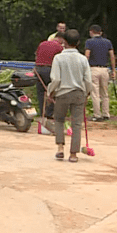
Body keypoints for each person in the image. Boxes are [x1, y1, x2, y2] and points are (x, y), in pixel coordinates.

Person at [47, 29, 94, 162]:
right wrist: (87, 93)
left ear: (64, 42)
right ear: (78, 43)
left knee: (59, 120)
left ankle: (60, 148)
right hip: (79, 93)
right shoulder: (83, 59)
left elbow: (55, 79)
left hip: (62, 93)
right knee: (77, 124)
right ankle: (73, 154)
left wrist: (50, 92)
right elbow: (88, 80)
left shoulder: (58, 58)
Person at [84, 24, 116, 122]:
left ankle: (97, 115)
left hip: (93, 69)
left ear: (91, 32)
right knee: (105, 93)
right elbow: (112, 56)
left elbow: (87, 55)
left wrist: (84, 68)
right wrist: (113, 70)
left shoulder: (89, 42)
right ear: (100, 32)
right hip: (105, 69)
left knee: (95, 93)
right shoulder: (107, 42)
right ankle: (106, 114)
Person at [35, 33, 65, 134]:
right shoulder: (59, 47)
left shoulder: (42, 43)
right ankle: (49, 114)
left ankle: (42, 113)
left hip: (38, 69)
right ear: (60, 39)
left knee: (40, 92)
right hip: (49, 69)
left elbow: (36, 55)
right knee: (53, 91)